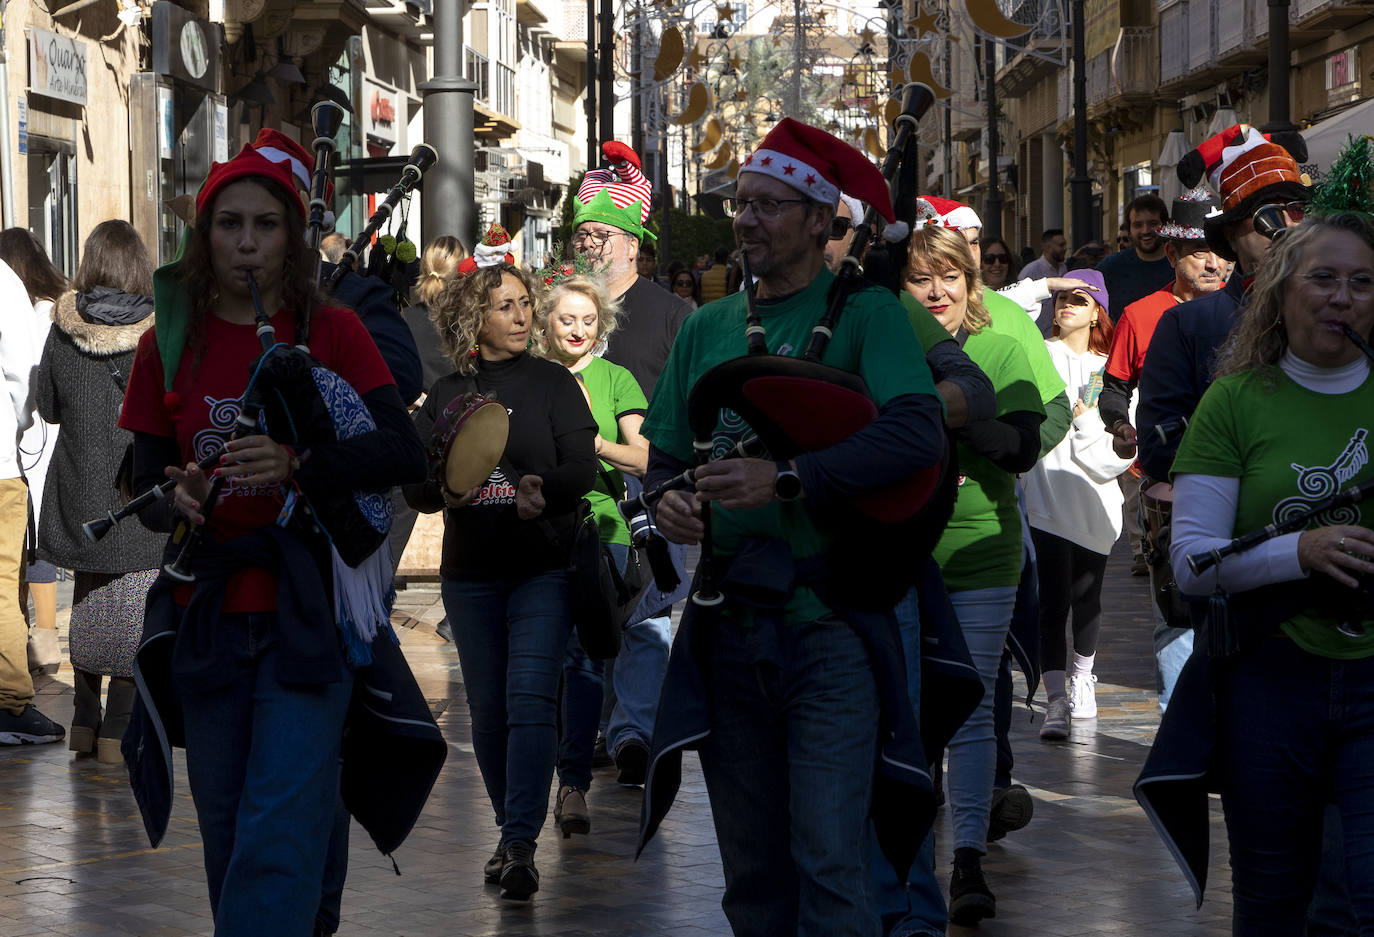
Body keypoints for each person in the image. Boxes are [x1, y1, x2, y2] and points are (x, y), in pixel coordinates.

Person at [638, 117, 945, 936]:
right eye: (742, 203)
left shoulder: (868, 314)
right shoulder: (705, 329)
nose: (746, 221)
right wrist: (667, 500)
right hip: (728, 627)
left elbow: (918, 433)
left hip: (832, 627)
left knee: (830, 859)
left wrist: (787, 479)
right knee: (752, 874)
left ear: (819, 219)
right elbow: (665, 458)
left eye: (769, 205)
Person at [119, 145, 426, 935]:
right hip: (208, 612)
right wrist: (176, 495)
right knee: (227, 830)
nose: (246, 242)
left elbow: (401, 450)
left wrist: (299, 462)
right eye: (229, 224)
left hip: (306, 614)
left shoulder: (335, 329)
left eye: (265, 225)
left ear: (292, 238)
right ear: (204, 236)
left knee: (276, 832)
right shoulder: (166, 344)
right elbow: (144, 482)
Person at [1148, 210, 1374, 936]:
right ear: (1280, 292)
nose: (1344, 297)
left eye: (1364, 282)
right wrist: (1299, 553)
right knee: (1273, 906)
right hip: (1271, 681)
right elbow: (1194, 563)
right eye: (1325, 278)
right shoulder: (1236, 402)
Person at [403, 243, 596, 900]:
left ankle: (519, 839)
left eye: (524, 304)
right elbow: (418, 488)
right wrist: (444, 492)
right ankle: (510, 830)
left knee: (531, 699)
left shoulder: (553, 383)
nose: (521, 315)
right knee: (487, 711)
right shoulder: (451, 394)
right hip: (471, 574)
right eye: (504, 305)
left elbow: (583, 468)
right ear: (471, 319)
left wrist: (548, 486)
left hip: (542, 566)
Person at [900, 223, 1045, 927]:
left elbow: (1022, 448)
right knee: (906, 698)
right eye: (920, 278)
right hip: (899, 552)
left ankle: (966, 859)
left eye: (948, 276)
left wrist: (956, 412)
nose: (935, 291)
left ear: (970, 283)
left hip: (984, 550)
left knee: (971, 702)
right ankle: (906, 852)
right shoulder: (887, 347)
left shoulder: (1004, 347)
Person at [1136, 124, 1309, 709]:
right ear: (1233, 235)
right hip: (1238, 585)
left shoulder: (1352, 316)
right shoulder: (1188, 326)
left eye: (1296, 209)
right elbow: (1160, 451)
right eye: (1265, 215)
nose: (1286, 227)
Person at [571, 141, 692, 784]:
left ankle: (633, 735)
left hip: (650, 488)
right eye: (581, 235)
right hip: (574, 493)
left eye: (601, 236)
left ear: (632, 244)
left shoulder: (672, 314)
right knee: (587, 613)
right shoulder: (557, 309)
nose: (589, 246)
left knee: (644, 619)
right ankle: (596, 726)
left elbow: (690, 399)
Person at [33, 221, 163, 763]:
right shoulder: (159, 331)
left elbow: (47, 405)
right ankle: (117, 729)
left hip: (79, 488)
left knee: (86, 598)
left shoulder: (63, 327)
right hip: (138, 488)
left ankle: (84, 720)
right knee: (137, 604)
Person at [535, 274, 648, 837]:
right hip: (533, 532)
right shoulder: (530, 377)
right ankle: (528, 799)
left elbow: (644, 458)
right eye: (566, 319)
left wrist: (591, 440)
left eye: (588, 320)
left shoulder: (615, 378)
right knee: (539, 664)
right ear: (546, 324)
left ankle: (573, 784)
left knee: (581, 659)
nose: (578, 330)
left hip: (600, 534)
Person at [1022, 271, 1134, 739]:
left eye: (1079, 299)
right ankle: (1053, 700)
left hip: (1096, 502)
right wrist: (1045, 284)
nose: (1067, 305)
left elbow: (1122, 453)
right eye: (1062, 298)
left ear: (1097, 313)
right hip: (1045, 496)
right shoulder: (1037, 354)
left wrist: (1088, 426)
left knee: (1087, 597)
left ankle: (1083, 677)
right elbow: (1003, 307)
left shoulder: (1111, 372)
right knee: (1051, 600)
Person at [1100, 186, 1225, 578]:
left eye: (1220, 251)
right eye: (1200, 252)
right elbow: (1114, 387)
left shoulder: (1250, 308)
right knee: (1177, 611)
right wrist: (1120, 425)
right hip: (1167, 480)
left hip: (1237, 475)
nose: (1213, 264)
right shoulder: (1139, 316)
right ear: (1172, 255)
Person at [0, 251, 63, 745]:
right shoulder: (3, 280)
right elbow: (26, 377)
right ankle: (9, 703)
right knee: (3, 588)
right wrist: (15, 427)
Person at [402, 234, 467, 392]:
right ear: (463, 274)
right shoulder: (470, 320)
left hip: (420, 413)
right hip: (467, 412)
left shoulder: (404, 319)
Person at [1094, 194, 1174, 321]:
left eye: (1152, 223)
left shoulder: (1180, 266)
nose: (1145, 230)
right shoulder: (1110, 267)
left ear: (1166, 225)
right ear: (1129, 229)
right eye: (1138, 225)